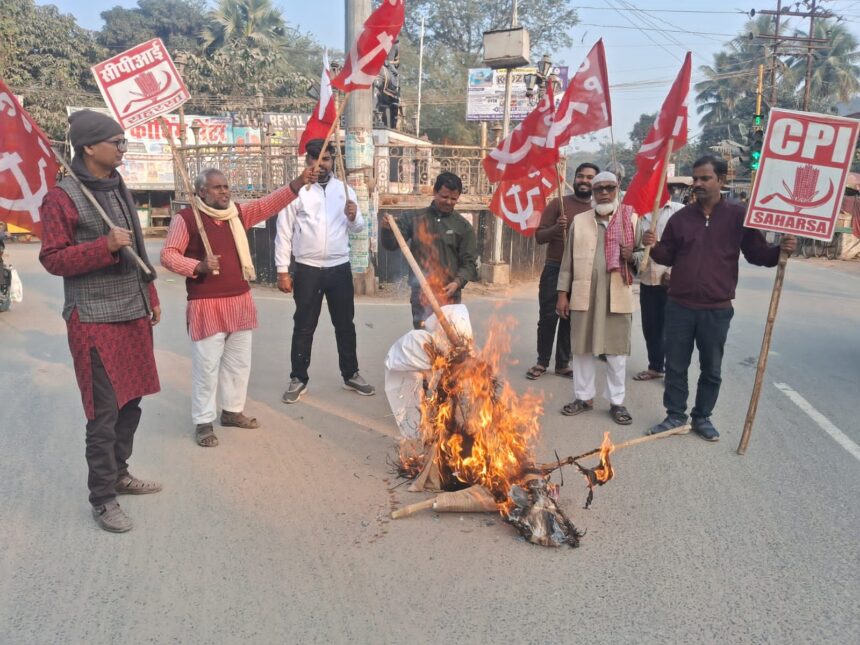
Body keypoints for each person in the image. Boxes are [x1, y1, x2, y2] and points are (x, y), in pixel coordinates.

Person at [39, 109, 161, 533]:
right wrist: (103, 246)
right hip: (92, 319)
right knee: (103, 412)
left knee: (132, 403)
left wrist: (151, 293)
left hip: (131, 311)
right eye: (117, 142)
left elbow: (139, 249)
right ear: (90, 147)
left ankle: (120, 473)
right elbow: (52, 259)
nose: (124, 148)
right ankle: (103, 497)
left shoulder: (117, 186)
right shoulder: (62, 197)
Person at [642, 155, 796, 441]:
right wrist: (653, 245)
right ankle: (675, 416)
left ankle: (702, 417)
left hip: (716, 308)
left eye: (705, 178)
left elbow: (758, 254)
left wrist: (780, 250)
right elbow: (667, 255)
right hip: (679, 306)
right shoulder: (681, 217)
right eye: (695, 178)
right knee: (675, 365)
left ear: (722, 180)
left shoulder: (738, 217)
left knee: (711, 368)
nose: (697, 183)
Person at [161, 165, 317, 447]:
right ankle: (204, 421)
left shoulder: (237, 213)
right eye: (218, 187)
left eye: (226, 187)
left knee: (238, 364)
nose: (225, 192)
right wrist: (197, 265)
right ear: (201, 192)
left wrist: (297, 183)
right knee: (206, 368)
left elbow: (269, 204)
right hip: (206, 304)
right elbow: (168, 255)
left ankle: (232, 410)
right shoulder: (186, 219)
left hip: (240, 299)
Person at [275, 139, 375, 404]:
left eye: (326, 159)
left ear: (333, 161)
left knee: (345, 324)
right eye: (314, 158)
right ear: (307, 159)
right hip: (307, 268)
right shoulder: (296, 192)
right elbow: (283, 233)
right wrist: (282, 270)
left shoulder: (345, 191)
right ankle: (298, 378)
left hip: (338, 267)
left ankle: (351, 374)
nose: (320, 164)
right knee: (304, 325)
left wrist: (353, 216)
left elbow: (358, 229)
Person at [555, 171, 638, 425]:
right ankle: (584, 397)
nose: (604, 192)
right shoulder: (579, 221)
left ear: (617, 189)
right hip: (583, 293)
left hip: (617, 294)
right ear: (592, 192)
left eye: (609, 187)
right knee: (580, 349)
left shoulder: (631, 219)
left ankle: (617, 402)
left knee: (615, 352)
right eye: (598, 188)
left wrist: (631, 255)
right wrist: (562, 295)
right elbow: (567, 262)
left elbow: (644, 262)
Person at [526, 162, 599, 380]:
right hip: (555, 267)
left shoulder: (598, 210)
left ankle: (562, 363)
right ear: (574, 179)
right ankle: (541, 362)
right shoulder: (558, 203)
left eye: (589, 177)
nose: (584, 180)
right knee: (548, 316)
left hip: (582, 272)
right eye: (580, 176)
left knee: (572, 318)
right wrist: (557, 228)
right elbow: (539, 237)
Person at [379, 172, 478, 329]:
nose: (449, 202)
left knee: (449, 342)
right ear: (434, 192)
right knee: (424, 340)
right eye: (444, 197)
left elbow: (469, 263)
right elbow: (391, 245)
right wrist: (386, 230)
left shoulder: (463, 227)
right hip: (422, 295)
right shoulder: (414, 218)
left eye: (454, 199)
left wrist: (457, 282)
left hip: (450, 295)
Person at [631, 188, 685, 382]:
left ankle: (673, 372)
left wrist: (672, 272)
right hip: (647, 279)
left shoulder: (679, 211)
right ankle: (655, 367)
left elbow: (685, 247)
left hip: (672, 281)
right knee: (651, 326)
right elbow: (634, 245)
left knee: (673, 329)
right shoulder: (637, 214)